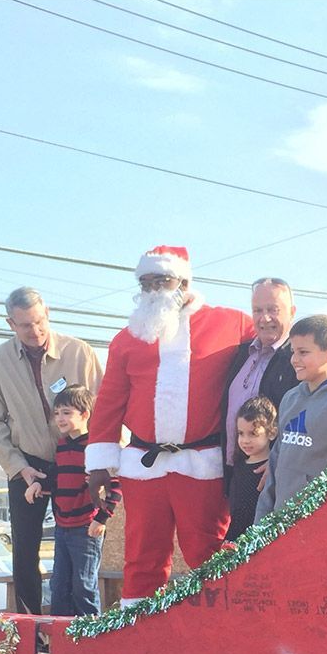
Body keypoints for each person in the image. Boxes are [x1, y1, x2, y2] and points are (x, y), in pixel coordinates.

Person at [86, 246, 254, 604]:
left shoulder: (232, 323)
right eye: (145, 283)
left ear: (184, 281)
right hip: (144, 467)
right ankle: (139, 639)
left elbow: (276, 344)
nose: (152, 291)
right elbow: (109, 402)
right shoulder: (126, 339)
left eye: (161, 281)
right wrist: (100, 463)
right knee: (142, 558)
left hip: (201, 466)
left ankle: (219, 633)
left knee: (210, 557)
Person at [0, 287, 102, 615]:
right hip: (28, 464)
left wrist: (105, 462)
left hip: (80, 460)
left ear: (47, 312)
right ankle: (29, 628)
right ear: (10, 324)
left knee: (81, 547)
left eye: (38, 322)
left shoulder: (80, 353)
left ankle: (81, 628)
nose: (34, 331)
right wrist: (19, 467)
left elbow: (106, 410)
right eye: (24, 326)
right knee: (24, 550)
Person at [255, 314, 327, 520]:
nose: (294, 359)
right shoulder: (290, 398)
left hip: (320, 524)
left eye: (303, 352)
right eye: (293, 351)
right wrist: (260, 523)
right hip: (278, 524)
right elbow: (275, 462)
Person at [25, 385, 121, 617]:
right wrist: (40, 484)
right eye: (57, 413)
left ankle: (90, 637)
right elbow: (57, 475)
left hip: (85, 528)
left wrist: (101, 519)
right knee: (59, 586)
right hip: (63, 527)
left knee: (83, 586)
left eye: (67, 412)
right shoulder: (62, 445)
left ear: (84, 415)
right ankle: (62, 638)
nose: (60, 418)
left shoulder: (95, 448)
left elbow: (115, 486)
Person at [221, 278, 297, 493]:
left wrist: (280, 460)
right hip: (236, 473)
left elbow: (310, 417)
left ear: (292, 312)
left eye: (273, 309)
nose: (265, 318)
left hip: (273, 479)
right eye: (257, 310)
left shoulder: (298, 360)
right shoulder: (240, 354)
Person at [226, 396, 278, 541]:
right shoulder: (239, 466)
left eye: (253, 434)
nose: (245, 440)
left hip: (261, 539)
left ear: (272, 433)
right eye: (241, 433)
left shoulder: (273, 468)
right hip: (236, 539)